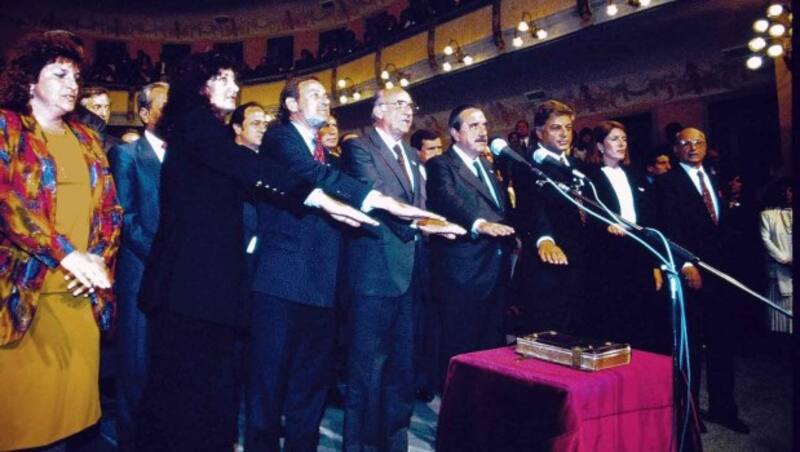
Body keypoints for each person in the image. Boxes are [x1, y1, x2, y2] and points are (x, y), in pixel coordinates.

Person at [133, 52, 385, 451]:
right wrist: (315, 196)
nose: (235, 87)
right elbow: (249, 168)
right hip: (190, 290)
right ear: (201, 85)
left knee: (201, 399)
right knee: (184, 398)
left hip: (204, 290)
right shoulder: (196, 126)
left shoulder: (203, 130)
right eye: (223, 78)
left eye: (235, 79)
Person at [0, 30, 122, 451]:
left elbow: (110, 210)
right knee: (21, 424)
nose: (72, 85)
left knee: (68, 428)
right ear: (30, 81)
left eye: (76, 76)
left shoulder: (88, 138)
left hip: (79, 298)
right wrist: (67, 254)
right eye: (59, 74)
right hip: (23, 298)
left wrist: (98, 261)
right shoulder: (7, 128)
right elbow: (8, 202)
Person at [340, 87, 465, 451]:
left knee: (400, 369)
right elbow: (376, 196)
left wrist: (435, 225)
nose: (408, 112)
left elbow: (420, 204)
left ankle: (393, 444)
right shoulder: (358, 148)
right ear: (378, 110)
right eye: (399, 105)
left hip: (409, 275)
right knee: (365, 371)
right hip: (373, 274)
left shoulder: (412, 155)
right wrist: (422, 221)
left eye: (411, 106)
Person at [655, 127, 749, 434]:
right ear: (676, 148)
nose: (693, 147)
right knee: (692, 345)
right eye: (686, 143)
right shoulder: (667, 182)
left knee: (723, 342)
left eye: (698, 142)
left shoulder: (714, 177)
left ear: (706, 146)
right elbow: (669, 227)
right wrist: (684, 263)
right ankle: (690, 412)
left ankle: (724, 408)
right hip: (692, 272)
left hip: (722, 274)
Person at [425, 105, 516, 389]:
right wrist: (478, 224)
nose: (482, 131)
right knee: (461, 341)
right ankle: (457, 401)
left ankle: (487, 395)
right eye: (474, 126)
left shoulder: (488, 166)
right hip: (463, 270)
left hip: (494, 267)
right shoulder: (441, 164)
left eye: (484, 125)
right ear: (455, 133)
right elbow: (447, 199)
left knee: (492, 340)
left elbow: (502, 210)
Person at [107, 81, 169, 452]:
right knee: (136, 375)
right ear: (144, 114)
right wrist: (168, 260)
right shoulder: (127, 156)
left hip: (178, 283)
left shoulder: (187, 158)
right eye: (164, 105)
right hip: (141, 278)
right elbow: (127, 220)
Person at [585, 120, 666, 352]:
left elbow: (649, 221)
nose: (621, 144)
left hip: (639, 251)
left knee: (645, 320)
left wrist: (655, 265)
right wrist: (605, 228)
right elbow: (587, 219)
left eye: (623, 139)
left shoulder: (636, 176)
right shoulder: (589, 177)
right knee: (616, 320)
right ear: (600, 146)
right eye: (614, 139)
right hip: (609, 256)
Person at [513, 100, 590, 336]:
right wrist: (545, 239)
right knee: (549, 334)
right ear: (539, 132)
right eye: (556, 127)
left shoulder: (578, 167)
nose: (565, 133)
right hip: (548, 262)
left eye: (568, 127)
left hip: (579, 261)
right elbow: (532, 207)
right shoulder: (527, 164)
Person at [759, 178, 792, 334]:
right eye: (785, 190)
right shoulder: (768, 215)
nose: (788, 194)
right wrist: (784, 260)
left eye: (791, 190)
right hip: (779, 268)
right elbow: (765, 240)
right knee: (779, 312)